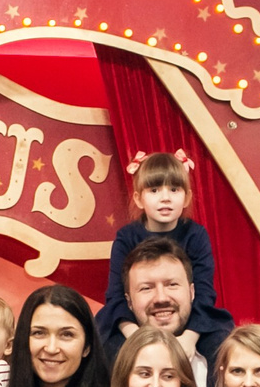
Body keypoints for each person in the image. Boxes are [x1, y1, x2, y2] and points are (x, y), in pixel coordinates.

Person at [98, 150, 233, 357]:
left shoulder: (196, 234)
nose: (165, 198)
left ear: (187, 197)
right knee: (108, 345)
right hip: (136, 320)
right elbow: (116, 296)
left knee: (221, 344)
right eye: (154, 190)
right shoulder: (126, 237)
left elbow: (204, 293)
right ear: (139, 199)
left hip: (190, 320)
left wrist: (189, 338)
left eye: (174, 189)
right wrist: (135, 336)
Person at [102, 234, 231, 383]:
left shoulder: (227, 352)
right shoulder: (105, 361)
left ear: (192, 292)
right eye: (146, 288)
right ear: (129, 302)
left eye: (172, 285)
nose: (161, 298)